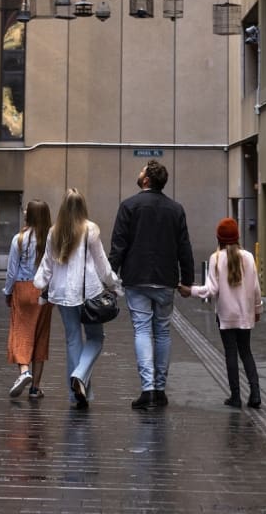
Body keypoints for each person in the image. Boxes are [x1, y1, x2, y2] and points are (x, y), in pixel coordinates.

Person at [109, 159, 194, 410]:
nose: (139, 173)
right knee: (164, 332)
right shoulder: (175, 209)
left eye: (142, 171)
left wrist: (110, 276)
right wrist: (187, 280)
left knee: (142, 330)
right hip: (166, 279)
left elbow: (119, 245)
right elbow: (184, 247)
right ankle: (160, 388)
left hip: (136, 278)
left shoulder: (129, 206)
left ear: (146, 180)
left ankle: (147, 389)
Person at [33, 187, 120, 409]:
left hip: (62, 295)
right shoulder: (90, 230)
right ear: (83, 207)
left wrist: (40, 285)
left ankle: (77, 394)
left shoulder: (55, 231)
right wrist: (114, 283)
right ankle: (80, 377)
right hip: (88, 293)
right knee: (96, 338)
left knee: (73, 339)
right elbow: (102, 263)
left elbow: (47, 264)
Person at [180, 216, 262, 409]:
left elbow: (210, 290)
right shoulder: (249, 257)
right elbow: (256, 288)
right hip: (245, 315)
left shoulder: (216, 258)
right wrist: (257, 309)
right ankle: (255, 394)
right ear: (237, 237)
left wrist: (189, 290)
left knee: (231, 354)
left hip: (226, 316)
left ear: (219, 238)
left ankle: (235, 397)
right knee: (246, 352)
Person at [3, 199, 53, 399]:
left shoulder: (19, 239)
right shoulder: (51, 239)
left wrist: (8, 292)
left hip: (23, 289)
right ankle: (35, 388)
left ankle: (24, 372)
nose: (24, 211)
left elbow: (11, 270)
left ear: (30, 215)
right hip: (43, 291)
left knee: (21, 332)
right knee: (41, 336)